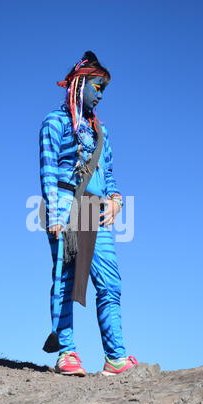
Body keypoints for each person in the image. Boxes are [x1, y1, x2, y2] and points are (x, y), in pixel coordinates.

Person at [39, 51, 138, 376]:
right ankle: (66, 353)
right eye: (98, 86)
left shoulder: (101, 132)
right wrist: (54, 214)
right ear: (80, 84)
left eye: (104, 89)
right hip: (66, 206)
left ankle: (116, 358)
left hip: (96, 212)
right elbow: (48, 169)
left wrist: (116, 199)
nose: (100, 94)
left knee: (110, 282)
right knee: (65, 279)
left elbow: (108, 171)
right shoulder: (54, 122)